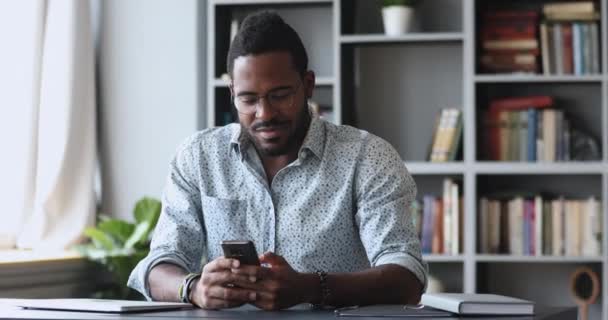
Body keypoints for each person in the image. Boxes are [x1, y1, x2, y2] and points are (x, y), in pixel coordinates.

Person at [128, 11, 427, 311]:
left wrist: (309, 288)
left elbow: (407, 277)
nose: (265, 114)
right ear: (232, 93)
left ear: (308, 85)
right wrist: (191, 287)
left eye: (280, 95)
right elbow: (158, 265)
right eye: (248, 99)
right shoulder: (198, 157)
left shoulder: (367, 158)